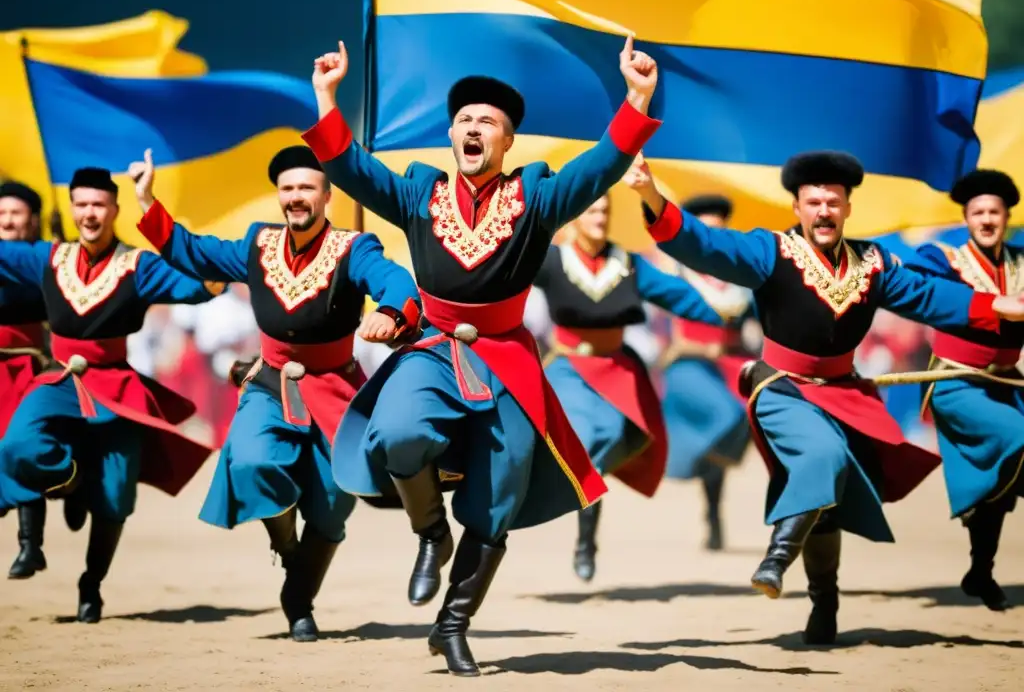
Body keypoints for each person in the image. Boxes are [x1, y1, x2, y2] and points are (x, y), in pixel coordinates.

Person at [302, 36, 661, 675]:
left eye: (488, 123)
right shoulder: (418, 196)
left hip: (508, 362)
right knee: (398, 433)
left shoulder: (540, 199)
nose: (475, 128)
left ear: (508, 142)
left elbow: (601, 166)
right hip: (433, 351)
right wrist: (327, 98)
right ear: (450, 136)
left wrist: (636, 99)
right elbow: (353, 170)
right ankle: (430, 534)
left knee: (500, 497)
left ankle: (454, 624)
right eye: (465, 121)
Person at [625, 151, 1024, 645]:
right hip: (782, 388)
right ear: (797, 208)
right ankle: (777, 557)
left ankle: (824, 603)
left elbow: (929, 297)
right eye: (813, 201)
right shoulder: (770, 252)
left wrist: (996, 305)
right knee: (823, 455)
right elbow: (705, 244)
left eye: (833, 201)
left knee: (829, 500)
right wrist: (649, 195)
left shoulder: (875, 263)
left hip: (845, 393)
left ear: (848, 208)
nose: (824, 210)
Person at [134, 145, 421, 640]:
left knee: (333, 502)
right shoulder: (256, 244)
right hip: (268, 383)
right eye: (287, 189)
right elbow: (194, 251)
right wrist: (146, 204)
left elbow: (394, 280)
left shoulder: (356, 248)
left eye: (306, 187)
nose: (295, 197)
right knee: (250, 462)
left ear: (328, 195)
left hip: (335, 389)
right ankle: (291, 554)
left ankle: (299, 598)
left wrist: (392, 310)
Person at [0, 166, 220, 622]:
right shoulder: (48, 258)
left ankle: (91, 584)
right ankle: (73, 482)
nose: (89, 213)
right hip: (58, 381)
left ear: (114, 209)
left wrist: (149, 204)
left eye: (98, 204)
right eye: (80, 204)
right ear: (71, 208)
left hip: (116, 388)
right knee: (18, 443)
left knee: (117, 495)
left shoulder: (137, 266)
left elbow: (199, 287)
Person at [533, 178, 725, 582]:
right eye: (591, 211)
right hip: (569, 368)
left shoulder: (628, 263)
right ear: (574, 218)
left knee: (603, 447)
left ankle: (588, 537)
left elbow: (678, 295)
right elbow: (501, 276)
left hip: (620, 371)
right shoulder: (550, 260)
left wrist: (726, 313)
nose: (600, 217)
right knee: (584, 442)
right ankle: (580, 538)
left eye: (605, 210)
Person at [901, 169, 1024, 611]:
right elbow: (912, 285)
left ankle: (980, 570)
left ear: (1007, 216)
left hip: (1008, 384)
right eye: (978, 213)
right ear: (966, 218)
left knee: (1001, 484)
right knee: (1018, 442)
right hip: (957, 384)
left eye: (994, 211)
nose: (986, 219)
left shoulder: (1022, 262)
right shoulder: (943, 258)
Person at [658, 193, 757, 551]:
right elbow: (669, 327)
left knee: (757, 409)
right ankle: (692, 465)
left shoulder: (742, 275)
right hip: (690, 362)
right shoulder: (676, 269)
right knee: (726, 413)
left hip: (733, 361)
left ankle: (714, 511)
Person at [0, 181, 51, 578]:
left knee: (24, 449)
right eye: (1, 214)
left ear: (31, 219)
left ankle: (30, 544)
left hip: (25, 372)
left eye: (15, 213)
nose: (7, 220)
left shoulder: (45, 260)